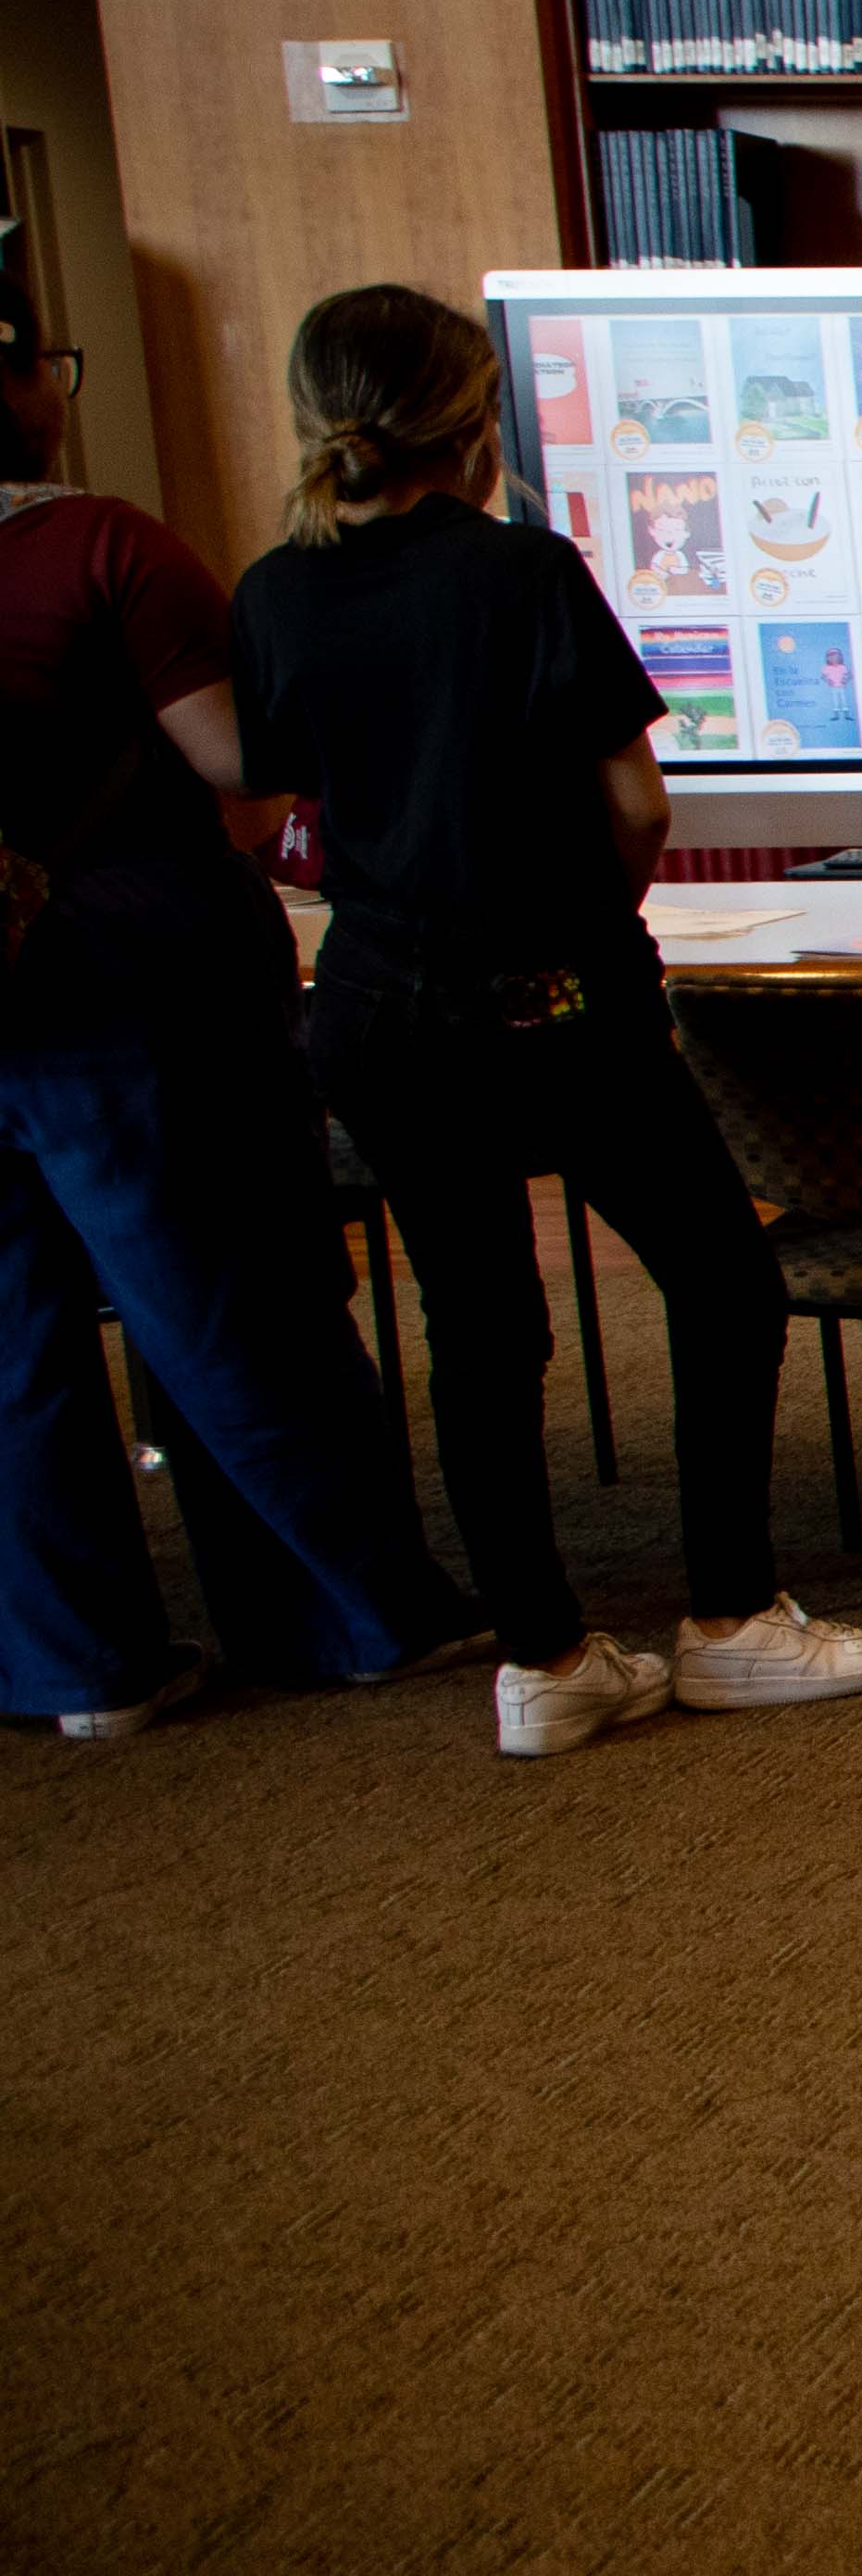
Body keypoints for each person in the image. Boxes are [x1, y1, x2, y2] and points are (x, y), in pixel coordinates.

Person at [227, 284, 862, 1755]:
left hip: (372, 1008)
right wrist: (597, 913)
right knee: (723, 1281)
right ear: (474, 426)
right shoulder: (520, 574)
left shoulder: (275, 591)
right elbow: (635, 799)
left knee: (480, 1328)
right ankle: (731, 1619)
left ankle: (543, 1665)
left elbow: (282, 788)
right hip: (555, 998)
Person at [0, 261, 478, 1737]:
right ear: (17, 381)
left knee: (11, 1340)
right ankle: (352, 1621)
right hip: (124, 985)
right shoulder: (97, 547)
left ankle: (82, 1670)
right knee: (229, 1302)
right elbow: (236, 760)